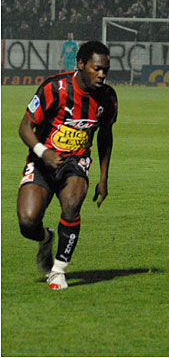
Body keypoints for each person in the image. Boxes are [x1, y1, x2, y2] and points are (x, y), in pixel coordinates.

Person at [17, 41, 117, 290]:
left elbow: (105, 137)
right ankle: (46, 238)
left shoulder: (107, 97)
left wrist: (103, 178)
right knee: (28, 222)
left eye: (106, 69)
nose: (102, 75)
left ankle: (58, 270)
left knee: (72, 203)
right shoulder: (55, 88)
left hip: (75, 163)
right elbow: (24, 127)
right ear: (81, 65)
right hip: (42, 161)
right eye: (97, 69)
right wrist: (44, 152)